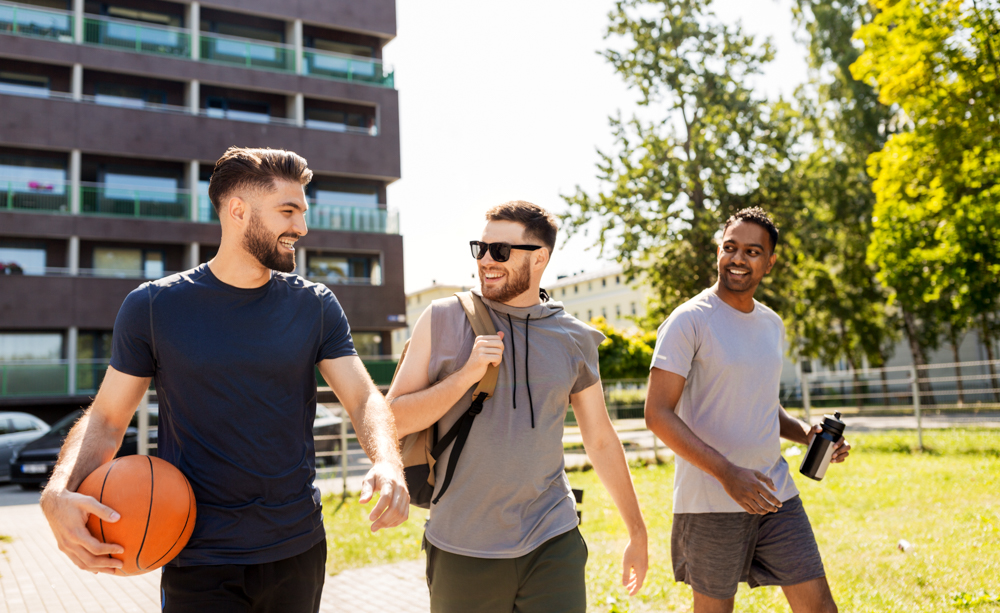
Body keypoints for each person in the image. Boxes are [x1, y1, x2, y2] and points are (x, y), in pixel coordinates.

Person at [40, 147, 409, 612]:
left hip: (296, 547)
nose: (302, 227)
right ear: (238, 211)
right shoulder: (153, 307)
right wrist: (59, 490)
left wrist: (387, 462)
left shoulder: (315, 305)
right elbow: (109, 419)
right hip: (196, 556)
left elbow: (362, 399)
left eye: (303, 211)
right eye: (287, 211)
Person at [387, 201, 648, 613]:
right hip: (461, 543)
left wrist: (637, 531)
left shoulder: (574, 339)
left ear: (540, 258)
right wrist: (466, 375)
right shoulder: (441, 318)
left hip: (552, 539)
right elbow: (392, 419)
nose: (486, 261)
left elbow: (599, 439)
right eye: (481, 248)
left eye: (501, 251)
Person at [644, 207, 851, 613]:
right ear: (719, 252)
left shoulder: (770, 324)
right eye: (730, 248)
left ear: (770, 262)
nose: (739, 259)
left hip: (775, 493)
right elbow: (657, 414)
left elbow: (763, 404)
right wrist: (727, 473)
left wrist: (804, 434)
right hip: (710, 500)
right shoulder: (688, 321)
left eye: (753, 252)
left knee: (820, 607)